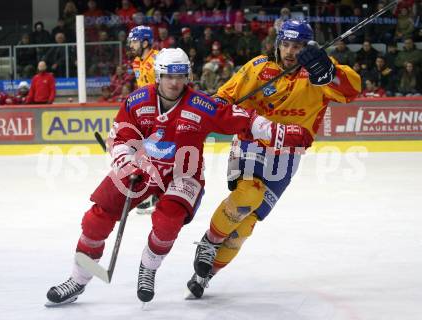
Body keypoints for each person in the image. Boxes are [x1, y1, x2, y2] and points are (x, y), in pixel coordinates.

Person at [45, 47, 312, 306]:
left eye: (180, 76)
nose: (175, 82)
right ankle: (78, 280)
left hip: (184, 174)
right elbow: (121, 135)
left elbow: (245, 121)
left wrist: (285, 133)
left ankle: (148, 268)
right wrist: (126, 161)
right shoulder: (138, 100)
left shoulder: (201, 105)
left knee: (167, 222)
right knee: (96, 219)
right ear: (159, 76)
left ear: (188, 77)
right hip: (141, 169)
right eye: (169, 76)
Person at [186, 19, 361, 299]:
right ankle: (209, 242)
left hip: (288, 155)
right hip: (252, 143)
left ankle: (205, 274)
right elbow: (224, 97)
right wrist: (199, 115)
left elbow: (352, 90)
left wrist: (331, 72)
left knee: (246, 224)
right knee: (248, 195)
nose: (291, 51)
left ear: (309, 48)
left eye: (299, 46)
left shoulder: (318, 73)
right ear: (277, 44)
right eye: (287, 44)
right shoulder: (258, 68)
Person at [127, 25, 160, 214]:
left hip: (159, 114)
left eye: (134, 41)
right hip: (145, 113)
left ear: (145, 42)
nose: (131, 45)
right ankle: (150, 193)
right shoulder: (137, 62)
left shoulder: (157, 59)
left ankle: (156, 194)